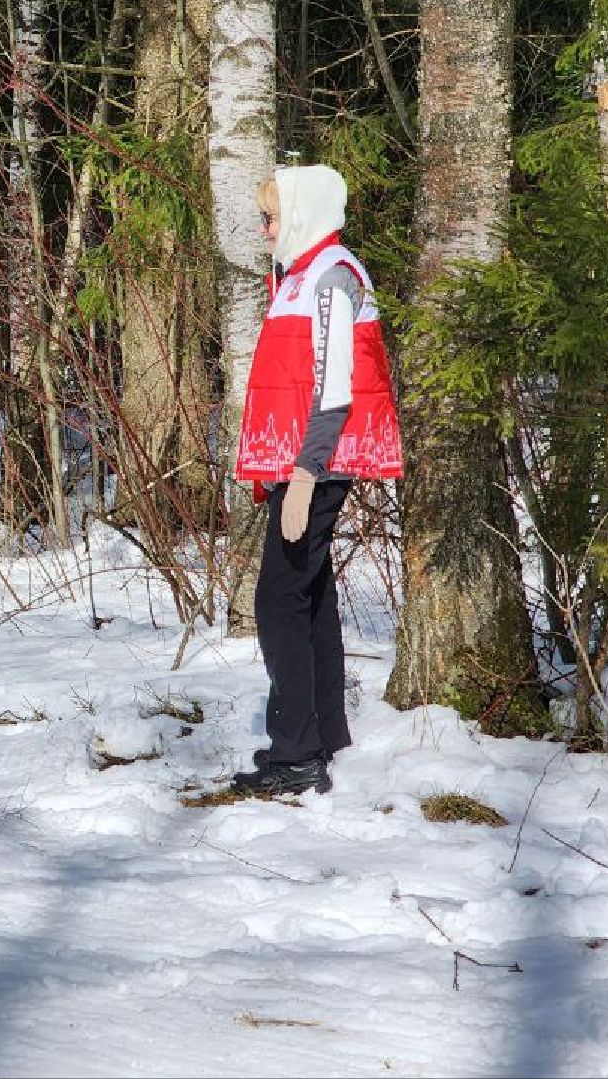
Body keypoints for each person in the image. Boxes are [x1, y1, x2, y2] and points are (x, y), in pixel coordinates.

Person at [230, 164, 403, 796]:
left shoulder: (332, 276)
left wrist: (304, 475)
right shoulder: (301, 277)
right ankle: (323, 733)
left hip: (317, 461)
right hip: (305, 460)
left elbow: (335, 388)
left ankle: (297, 753)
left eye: (271, 217)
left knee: (278, 597)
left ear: (303, 214)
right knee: (309, 592)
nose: (264, 229)